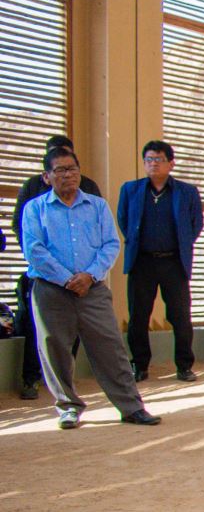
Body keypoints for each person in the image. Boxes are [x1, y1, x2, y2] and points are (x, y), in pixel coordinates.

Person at [19, 147, 160, 428]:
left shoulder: (97, 206)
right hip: (51, 290)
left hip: (92, 289)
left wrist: (89, 276)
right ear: (47, 177)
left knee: (111, 347)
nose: (68, 175)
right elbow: (34, 249)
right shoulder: (35, 209)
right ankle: (68, 407)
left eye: (72, 169)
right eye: (60, 170)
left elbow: (110, 244)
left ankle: (131, 407)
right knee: (55, 349)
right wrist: (67, 279)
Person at [13, 135, 100, 400]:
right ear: (48, 169)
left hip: (81, 277)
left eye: (69, 163)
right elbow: (20, 227)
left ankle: (65, 382)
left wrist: (83, 273)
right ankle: (30, 379)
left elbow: (98, 231)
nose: (66, 172)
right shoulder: (32, 187)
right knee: (33, 326)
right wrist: (50, 266)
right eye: (58, 164)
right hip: (43, 275)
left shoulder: (89, 188)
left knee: (71, 332)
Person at [116, 139, 204, 383]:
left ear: (171, 163)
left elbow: (196, 224)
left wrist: (180, 245)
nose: (153, 164)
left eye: (159, 159)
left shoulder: (186, 191)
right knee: (138, 316)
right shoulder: (130, 190)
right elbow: (124, 220)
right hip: (142, 261)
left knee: (180, 316)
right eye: (149, 160)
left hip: (174, 262)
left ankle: (184, 366)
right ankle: (140, 365)